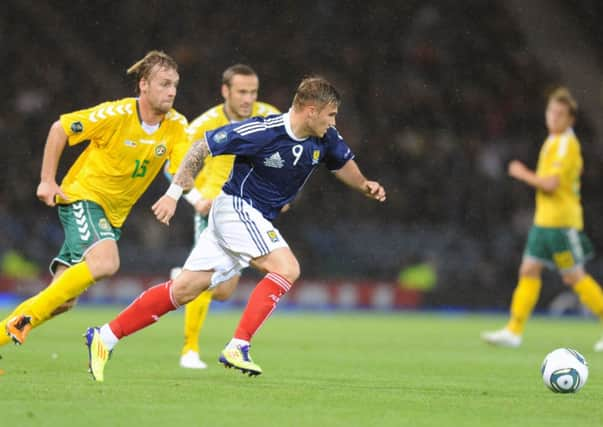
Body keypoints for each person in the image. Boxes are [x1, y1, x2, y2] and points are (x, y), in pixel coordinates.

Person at [84, 76, 386, 382]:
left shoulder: (325, 136)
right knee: (287, 267)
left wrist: (364, 185)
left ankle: (105, 336)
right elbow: (203, 146)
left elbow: (341, 163)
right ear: (310, 111)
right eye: (331, 114)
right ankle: (239, 345)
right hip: (237, 208)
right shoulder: (263, 131)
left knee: (185, 289)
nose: (334, 121)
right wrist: (176, 193)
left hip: (252, 217)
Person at [1, 51, 189, 347]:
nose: (172, 91)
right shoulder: (116, 115)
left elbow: (185, 167)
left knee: (63, 300)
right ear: (143, 84)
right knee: (106, 262)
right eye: (164, 84)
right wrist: (47, 180)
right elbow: (60, 128)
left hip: (112, 217)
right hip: (83, 198)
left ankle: (2, 334)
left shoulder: (177, 126)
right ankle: (19, 322)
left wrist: (172, 195)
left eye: (175, 85)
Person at [169, 64, 280, 370]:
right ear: (225, 92)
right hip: (214, 209)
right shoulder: (204, 124)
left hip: (252, 209)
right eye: (241, 92)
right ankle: (189, 350)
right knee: (207, 280)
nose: (248, 99)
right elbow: (174, 165)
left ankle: (182, 277)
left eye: (253, 92)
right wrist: (194, 198)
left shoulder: (269, 117)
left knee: (225, 290)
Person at [481, 87, 603, 350]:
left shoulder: (565, 145)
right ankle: (513, 331)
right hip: (544, 223)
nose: (554, 117)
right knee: (528, 270)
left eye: (561, 114)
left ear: (571, 119)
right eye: (551, 112)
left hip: (561, 224)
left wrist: (521, 172)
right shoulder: (553, 141)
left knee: (574, 277)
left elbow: (550, 183)